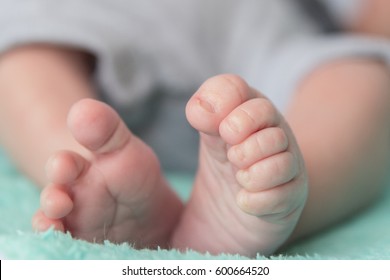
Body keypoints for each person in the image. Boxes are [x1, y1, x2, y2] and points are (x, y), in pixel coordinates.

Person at [0, 0, 390, 257]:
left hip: (263, 31)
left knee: (363, 77)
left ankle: (279, 196)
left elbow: (373, 20)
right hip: (81, 18)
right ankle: (90, 172)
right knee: (23, 55)